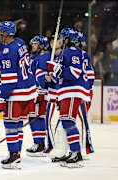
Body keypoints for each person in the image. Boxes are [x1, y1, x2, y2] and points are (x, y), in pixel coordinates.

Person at [0, 21, 37, 169]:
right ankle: (17, 153)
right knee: (18, 123)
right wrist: (1, 45)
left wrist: (1, 97)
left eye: (1, 32)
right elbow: (9, 49)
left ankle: (13, 155)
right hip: (28, 91)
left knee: (10, 124)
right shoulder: (20, 43)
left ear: (6, 34)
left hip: (16, 93)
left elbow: (9, 80)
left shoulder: (8, 53)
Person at [47, 28, 89, 167]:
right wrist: (53, 72)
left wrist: (57, 69)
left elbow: (75, 73)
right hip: (66, 91)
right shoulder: (66, 52)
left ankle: (76, 153)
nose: (60, 40)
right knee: (66, 122)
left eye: (62, 38)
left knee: (68, 121)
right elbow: (61, 74)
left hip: (72, 90)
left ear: (68, 39)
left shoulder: (72, 51)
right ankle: (72, 152)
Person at [26, 35, 49, 156]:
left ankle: (39, 144)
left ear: (41, 45)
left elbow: (42, 75)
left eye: (35, 44)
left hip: (39, 92)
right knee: (36, 117)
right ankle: (40, 143)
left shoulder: (44, 56)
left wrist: (40, 89)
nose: (32, 46)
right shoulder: (34, 57)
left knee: (35, 117)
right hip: (35, 91)